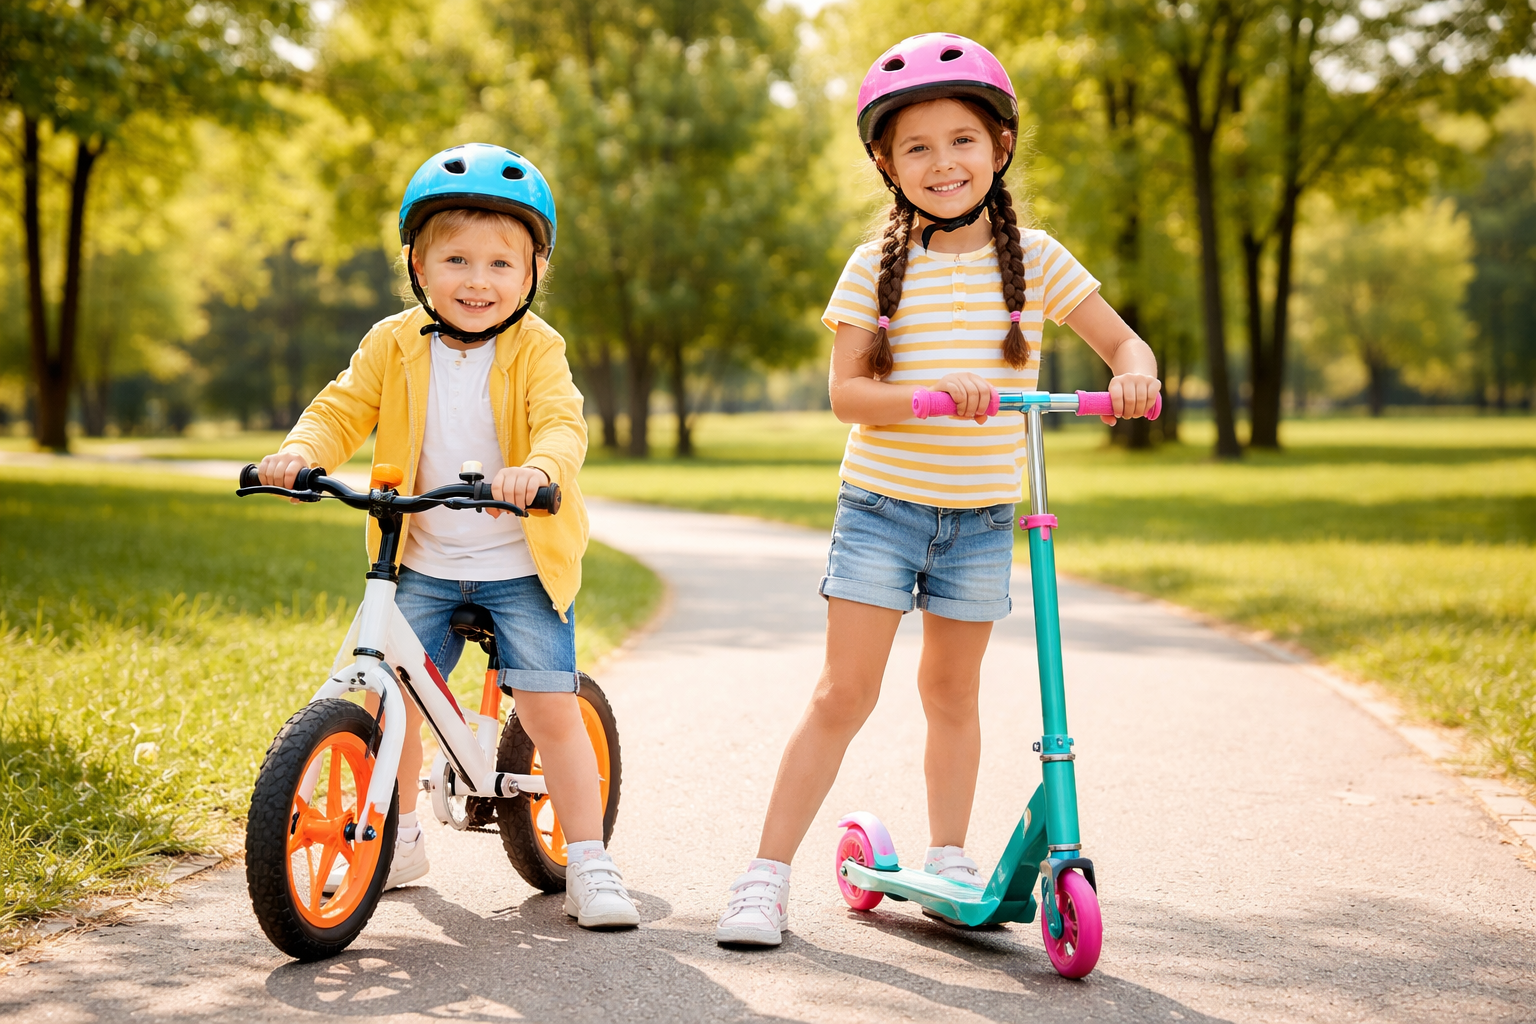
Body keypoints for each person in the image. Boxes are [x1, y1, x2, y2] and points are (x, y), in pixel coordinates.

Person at [715, 34, 1161, 947]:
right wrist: (931, 398)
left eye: (962, 140)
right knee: (846, 692)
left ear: (998, 148)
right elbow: (846, 396)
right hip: (882, 508)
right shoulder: (872, 267)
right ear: (886, 162)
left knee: (953, 694)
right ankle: (763, 878)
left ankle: (950, 853)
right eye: (916, 147)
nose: (942, 162)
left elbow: (1121, 342)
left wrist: (1136, 373)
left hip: (982, 516)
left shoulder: (1035, 258)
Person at [257, 143, 639, 929]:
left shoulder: (539, 349)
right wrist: (302, 453)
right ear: (419, 269)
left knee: (547, 709)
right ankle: (399, 839)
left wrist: (535, 469)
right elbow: (340, 407)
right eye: (456, 259)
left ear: (533, 271)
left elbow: (562, 425)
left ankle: (591, 860)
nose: (478, 280)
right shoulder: (392, 342)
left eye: (502, 263)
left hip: (519, 563)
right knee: (385, 693)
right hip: (421, 558)